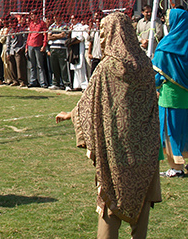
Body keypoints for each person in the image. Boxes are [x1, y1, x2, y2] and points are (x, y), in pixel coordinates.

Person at [56, 12, 161, 239]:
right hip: (145, 149)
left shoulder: (107, 68)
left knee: (109, 205)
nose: (101, 38)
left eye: (104, 32)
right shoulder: (145, 65)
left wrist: (71, 115)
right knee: (141, 205)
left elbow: (88, 105)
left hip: (115, 151)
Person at [154, 8, 188, 177]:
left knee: (170, 131)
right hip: (187, 95)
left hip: (170, 96)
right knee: (186, 128)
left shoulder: (168, 45)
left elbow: (157, 71)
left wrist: (154, 85)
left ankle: (176, 167)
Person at [26, 11, 48, 88]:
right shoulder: (31, 24)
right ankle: (33, 81)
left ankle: (43, 82)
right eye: (31, 15)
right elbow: (29, 35)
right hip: (30, 45)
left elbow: (45, 34)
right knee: (32, 64)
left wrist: (44, 45)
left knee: (40, 65)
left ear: (37, 15)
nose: (32, 17)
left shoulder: (42, 23)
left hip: (38, 45)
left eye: (33, 15)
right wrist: (26, 46)